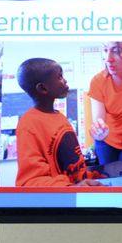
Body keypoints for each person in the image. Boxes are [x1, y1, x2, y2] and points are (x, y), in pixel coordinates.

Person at [14, 58, 105, 187]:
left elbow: (73, 167)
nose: (65, 80)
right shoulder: (29, 124)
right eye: (59, 77)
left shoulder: (59, 117)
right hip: (63, 201)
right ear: (43, 88)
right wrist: (73, 188)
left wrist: (94, 177)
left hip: (77, 196)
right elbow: (30, 182)